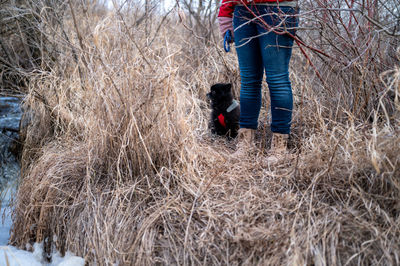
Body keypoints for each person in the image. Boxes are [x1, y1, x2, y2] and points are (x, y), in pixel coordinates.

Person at [218, 0, 299, 162]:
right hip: (242, 10)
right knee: (248, 80)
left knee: (277, 79)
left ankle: (279, 148)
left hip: (278, 8)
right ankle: (245, 144)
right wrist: (225, 13)